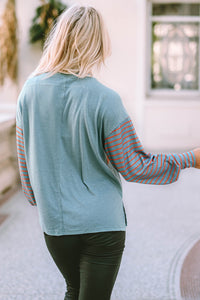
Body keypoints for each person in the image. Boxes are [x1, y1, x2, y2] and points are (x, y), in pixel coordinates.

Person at [15, 4, 200, 300]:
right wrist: (190, 158)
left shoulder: (29, 93)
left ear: (60, 38)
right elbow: (133, 165)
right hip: (102, 226)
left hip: (55, 226)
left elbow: (26, 174)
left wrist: (45, 201)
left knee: (73, 290)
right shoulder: (106, 100)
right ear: (98, 44)